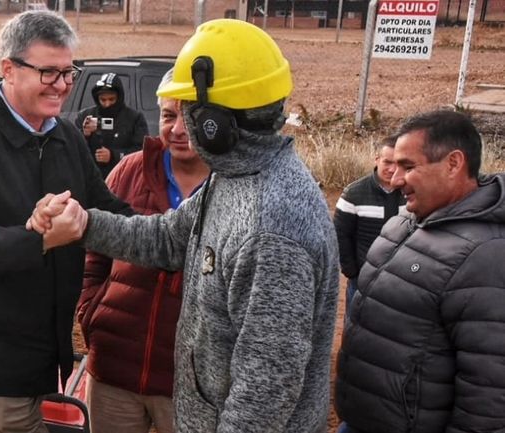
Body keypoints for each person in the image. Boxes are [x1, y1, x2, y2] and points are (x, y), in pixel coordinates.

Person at [30, 19, 340, 433]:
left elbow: (266, 385)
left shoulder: (273, 226)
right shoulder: (235, 177)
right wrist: (85, 223)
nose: (183, 124)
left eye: (190, 110)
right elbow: (167, 238)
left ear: (214, 122)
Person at [0, 10, 132, 433]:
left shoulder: (66, 136)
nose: (61, 85)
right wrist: (37, 237)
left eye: (67, 72)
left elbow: (107, 207)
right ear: (10, 69)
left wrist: (170, 231)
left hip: (44, 336)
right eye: (48, 72)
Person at [335, 110, 505, 433]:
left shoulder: (488, 253)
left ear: (454, 164)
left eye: (408, 167)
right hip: (359, 420)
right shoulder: (400, 225)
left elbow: (489, 393)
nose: (395, 179)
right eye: (394, 166)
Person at [77, 69, 210, 433]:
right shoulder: (129, 170)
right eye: (169, 116)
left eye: (192, 116)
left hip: (191, 384)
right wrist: (92, 311)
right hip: (116, 369)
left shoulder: (232, 186)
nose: (178, 129)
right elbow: (94, 254)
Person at [333, 136, 405, 317]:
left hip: (401, 280)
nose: (392, 169)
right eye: (387, 162)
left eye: (398, 163)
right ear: (377, 159)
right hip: (363, 279)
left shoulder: (411, 193)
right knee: (355, 328)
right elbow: (340, 235)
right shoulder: (354, 193)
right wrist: (352, 272)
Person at [75, 73, 148, 178]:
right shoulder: (86, 116)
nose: (107, 104)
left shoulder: (134, 118)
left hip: (123, 177)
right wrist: (85, 134)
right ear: (97, 98)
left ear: (119, 97)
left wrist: (113, 155)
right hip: (92, 179)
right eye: (103, 100)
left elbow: (142, 152)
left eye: (111, 99)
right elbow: (73, 151)